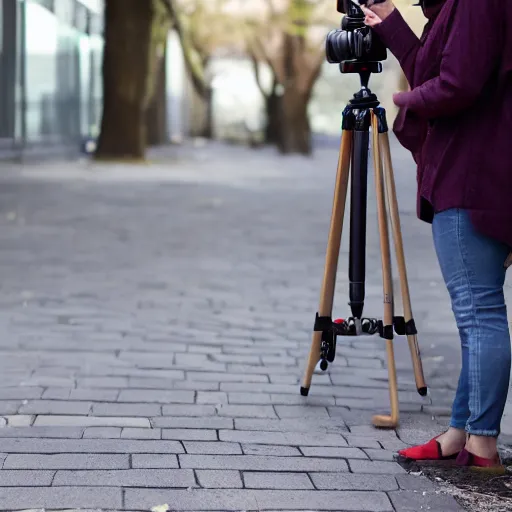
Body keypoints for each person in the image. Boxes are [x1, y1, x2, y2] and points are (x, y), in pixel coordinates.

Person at [361, 0, 512, 471]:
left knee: (480, 313)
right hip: (486, 170)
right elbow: (441, 67)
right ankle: (460, 434)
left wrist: (403, 103)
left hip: (474, 173)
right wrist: (392, 24)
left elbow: (457, 84)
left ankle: (481, 448)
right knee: (478, 312)